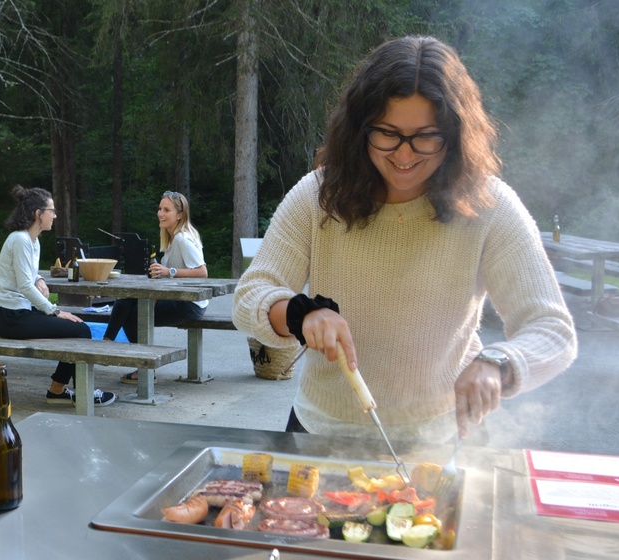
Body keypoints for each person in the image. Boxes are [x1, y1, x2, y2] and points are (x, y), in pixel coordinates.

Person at [232, 36, 577, 444]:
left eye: (426, 136)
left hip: (441, 439)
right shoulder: (317, 195)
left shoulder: (490, 205)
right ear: (360, 129)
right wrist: (300, 314)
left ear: (455, 134)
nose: (405, 155)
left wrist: (498, 362)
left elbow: (552, 329)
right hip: (321, 432)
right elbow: (251, 294)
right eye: (388, 134)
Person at [0, 185, 116, 406]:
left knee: (78, 328)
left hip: (19, 312)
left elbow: (27, 275)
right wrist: (55, 311)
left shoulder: (32, 240)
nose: (55, 215)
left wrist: (39, 278)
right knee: (80, 330)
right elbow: (24, 286)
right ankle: (79, 393)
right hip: (10, 318)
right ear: (38, 214)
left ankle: (58, 391)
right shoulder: (19, 240)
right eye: (52, 211)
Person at [104, 191, 209, 383]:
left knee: (130, 313)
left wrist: (169, 271)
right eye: (160, 208)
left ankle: (132, 360)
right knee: (126, 303)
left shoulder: (182, 239)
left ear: (180, 215)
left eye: (166, 210)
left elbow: (202, 272)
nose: (160, 213)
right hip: (178, 298)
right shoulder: (172, 239)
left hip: (189, 304)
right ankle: (115, 349)